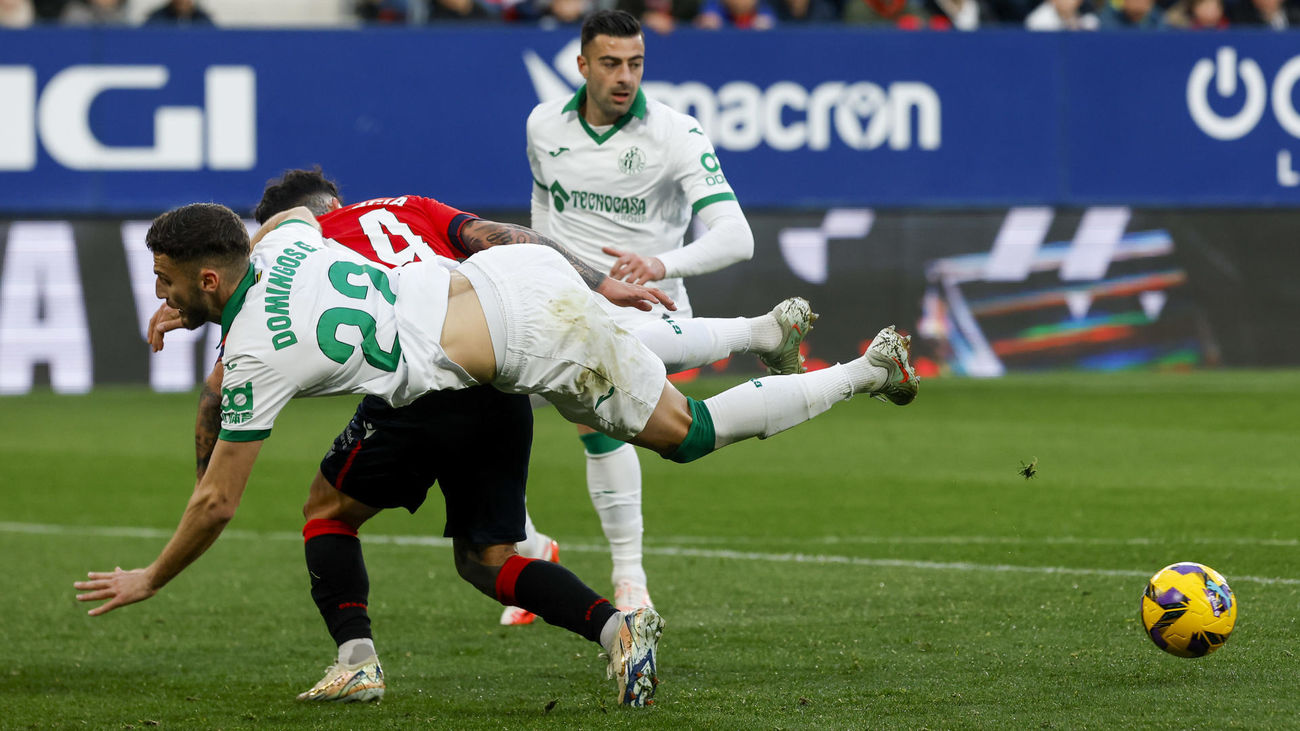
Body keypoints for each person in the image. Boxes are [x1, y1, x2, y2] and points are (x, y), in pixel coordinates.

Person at [76, 201, 916, 705]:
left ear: (212, 282)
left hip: (517, 340)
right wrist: (210, 302)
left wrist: (151, 575)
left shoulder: (257, 350)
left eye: (167, 283)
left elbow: (218, 500)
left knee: (684, 433)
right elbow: (290, 217)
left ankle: (862, 371)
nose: (162, 295)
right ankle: (765, 341)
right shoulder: (284, 243)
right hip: (513, 277)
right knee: (484, 551)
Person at [523, 9, 809, 622]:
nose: (624, 76)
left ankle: (624, 576)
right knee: (474, 404)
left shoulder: (676, 133)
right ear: (581, 66)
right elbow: (543, 216)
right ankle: (534, 552)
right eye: (610, 63)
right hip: (567, 306)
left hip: (651, 314)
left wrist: (658, 264)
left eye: (636, 63)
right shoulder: (544, 125)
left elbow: (737, 238)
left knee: (624, 422)